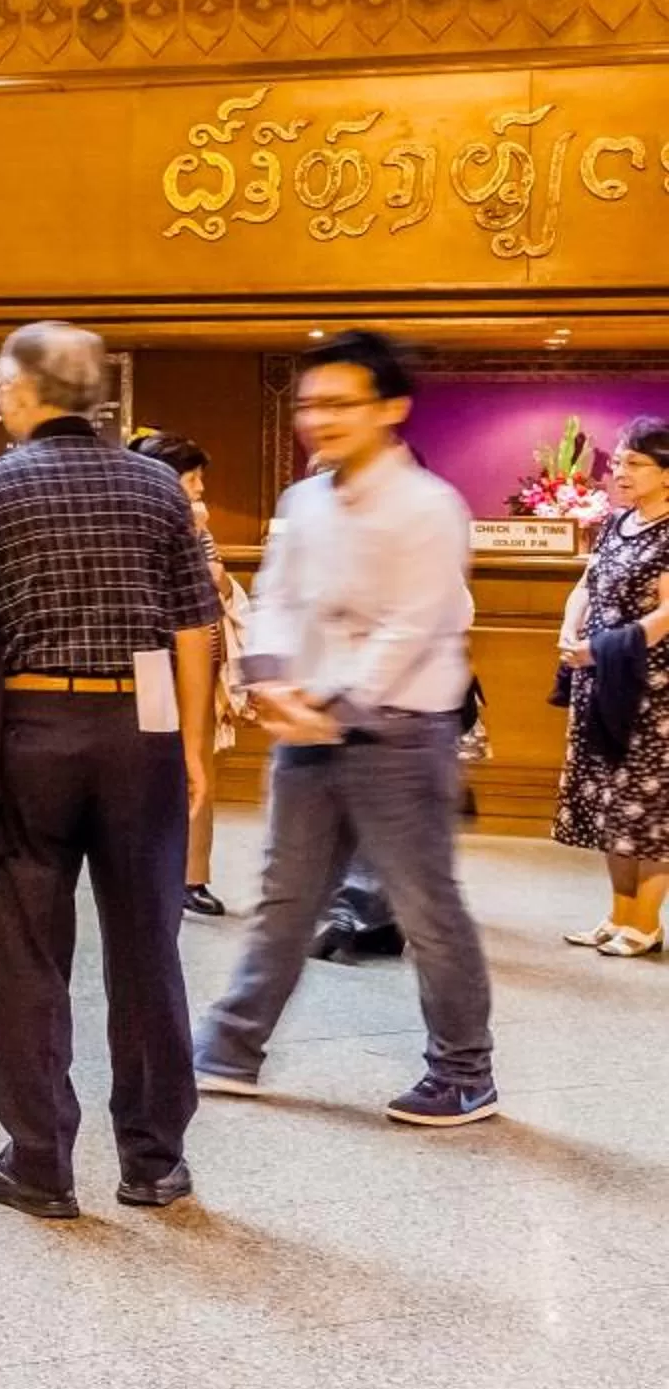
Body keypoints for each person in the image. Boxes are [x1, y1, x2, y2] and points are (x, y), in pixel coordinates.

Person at [0, 321, 217, 1219]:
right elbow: (193, 624)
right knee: (146, 947)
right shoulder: (159, 486)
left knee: (27, 950)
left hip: (33, 725)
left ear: (21, 395)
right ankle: (154, 1160)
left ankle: (40, 1161)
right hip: (145, 726)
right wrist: (198, 754)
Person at [193, 331, 496, 1125]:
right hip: (307, 729)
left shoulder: (429, 508)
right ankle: (231, 1045)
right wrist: (269, 682)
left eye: (339, 404)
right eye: (309, 404)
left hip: (399, 735)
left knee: (426, 907)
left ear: (390, 409)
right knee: (286, 898)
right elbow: (278, 595)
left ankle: (464, 1072)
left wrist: (325, 704)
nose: (318, 419)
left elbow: (413, 627)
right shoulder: (305, 501)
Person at [552, 414, 669, 955]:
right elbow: (586, 583)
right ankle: (618, 914)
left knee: (646, 806)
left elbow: (668, 614)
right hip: (598, 675)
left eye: (634, 463)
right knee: (608, 797)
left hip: (653, 685)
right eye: (619, 460)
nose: (619, 471)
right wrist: (569, 629)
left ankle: (646, 923)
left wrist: (600, 647)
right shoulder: (617, 523)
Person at [129, 432, 239, 916]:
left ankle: (193, 875)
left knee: (200, 764)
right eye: (190, 478)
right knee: (154, 766)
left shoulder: (199, 525)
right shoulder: (134, 525)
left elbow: (216, 580)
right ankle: (144, 867)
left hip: (202, 658)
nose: (198, 488)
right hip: (152, 661)